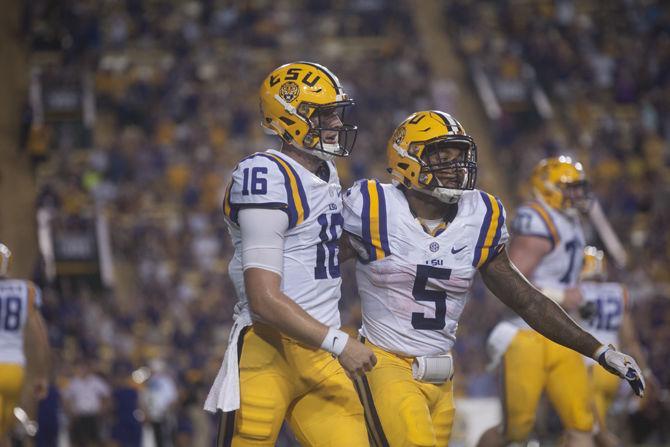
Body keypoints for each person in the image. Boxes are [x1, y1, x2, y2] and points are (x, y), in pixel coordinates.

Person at [340, 112, 645, 447]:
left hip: (442, 373)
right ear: (408, 159)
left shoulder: (481, 214)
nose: (456, 168)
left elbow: (526, 299)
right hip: (385, 363)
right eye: (443, 158)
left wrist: (599, 349)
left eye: (460, 158)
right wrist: (333, 339)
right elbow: (315, 270)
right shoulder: (373, 206)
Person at [204, 61, 376, 447]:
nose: (335, 123)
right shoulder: (265, 175)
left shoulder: (326, 172)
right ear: (289, 116)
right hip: (268, 349)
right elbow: (264, 298)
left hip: (318, 352)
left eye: (336, 112)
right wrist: (338, 342)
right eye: (324, 113)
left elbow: (314, 251)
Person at [477, 156, 629, 447]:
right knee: (516, 431)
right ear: (547, 188)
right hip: (527, 334)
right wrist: (561, 296)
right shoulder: (538, 220)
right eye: (569, 188)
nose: (577, 196)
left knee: (582, 424)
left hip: (561, 331)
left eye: (578, 189)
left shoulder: (568, 220)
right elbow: (510, 287)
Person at [578, 247, 658, 447]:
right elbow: (630, 340)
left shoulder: (576, 293)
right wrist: (646, 372)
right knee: (591, 431)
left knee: (589, 434)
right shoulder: (618, 292)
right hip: (614, 371)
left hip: (586, 369)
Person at [0, 243, 49, 446]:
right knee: (4, 430)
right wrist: (42, 375)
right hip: (14, 368)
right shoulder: (26, 290)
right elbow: (41, 338)